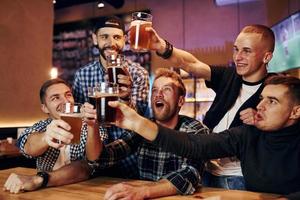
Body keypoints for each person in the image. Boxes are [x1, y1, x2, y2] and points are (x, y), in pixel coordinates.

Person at [108, 74, 300, 199]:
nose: (260, 106)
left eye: (272, 101)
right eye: (261, 99)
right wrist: (137, 123)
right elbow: (196, 146)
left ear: (295, 112)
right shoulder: (247, 134)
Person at [147, 24, 275, 189]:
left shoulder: (275, 88)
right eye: (236, 49)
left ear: (266, 57)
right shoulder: (230, 76)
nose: (238, 57)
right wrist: (162, 46)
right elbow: (191, 64)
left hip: (239, 178)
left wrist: (263, 119)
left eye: (247, 51)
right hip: (206, 172)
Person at [89, 68, 208, 199]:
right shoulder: (142, 127)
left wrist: (143, 191)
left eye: (166, 89)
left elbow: (191, 174)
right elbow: (102, 158)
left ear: (180, 101)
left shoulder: (195, 130)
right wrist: (92, 126)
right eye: (155, 90)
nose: (159, 94)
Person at [72, 16, 149, 178]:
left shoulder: (139, 73)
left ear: (125, 40)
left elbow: (141, 121)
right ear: (95, 39)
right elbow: (77, 119)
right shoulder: (82, 75)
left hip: (130, 161)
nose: (111, 42)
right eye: (104, 36)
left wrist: (127, 98)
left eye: (117, 37)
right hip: (94, 161)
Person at [14, 78, 99, 172]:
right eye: (55, 98)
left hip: (85, 186)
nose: (66, 102)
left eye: (68, 95)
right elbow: (27, 146)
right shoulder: (42, 126)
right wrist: (46, 137)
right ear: (45, 108)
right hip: (48, 187)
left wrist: (92, 126)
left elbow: (94, 160)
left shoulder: (91, 124)